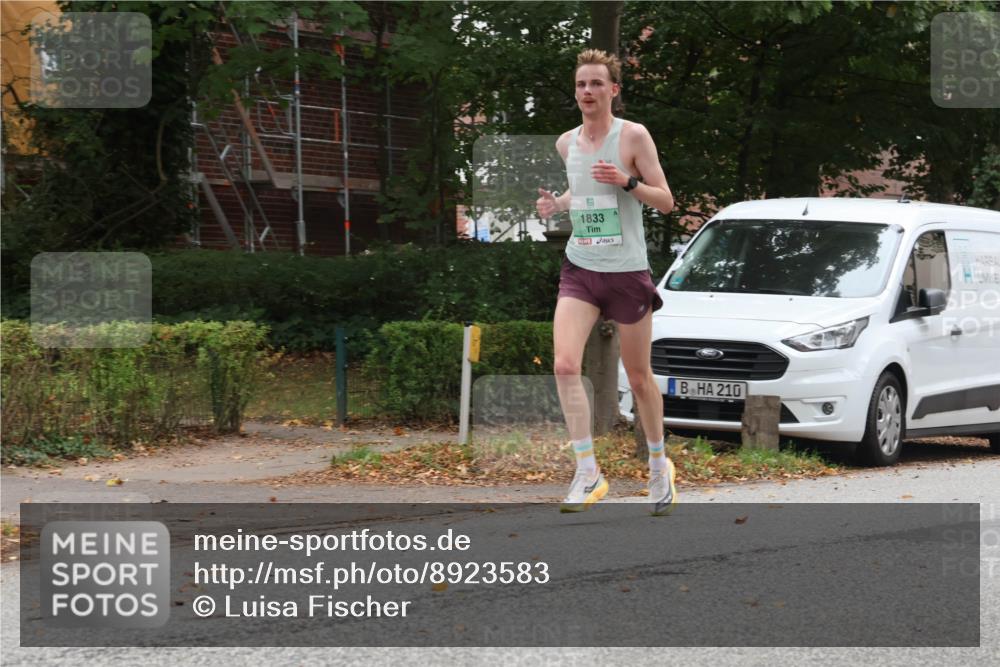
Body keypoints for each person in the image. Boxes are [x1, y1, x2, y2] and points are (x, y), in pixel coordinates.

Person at [536, 48, 677, 516]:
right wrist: (558, 204)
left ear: (613, 90)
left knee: (638, 379)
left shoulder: (633, 136)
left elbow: (666, 202)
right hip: (581, 268)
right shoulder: (566, 143)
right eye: (581, 84)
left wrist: (627, 181)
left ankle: (659, 466)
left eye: (597, 84)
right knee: (562, 365)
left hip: (627, 271)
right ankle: (587, 471)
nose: (587, 92)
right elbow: (584, 187)